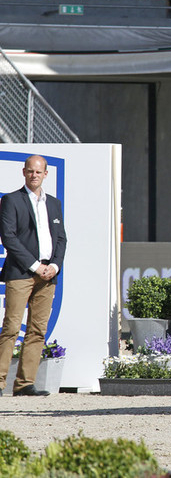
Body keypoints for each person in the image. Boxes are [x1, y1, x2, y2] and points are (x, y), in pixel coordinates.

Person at [0, 155, 67, 397]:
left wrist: (55, 266)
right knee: (11, 327)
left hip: (48, 276)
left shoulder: (54, 203)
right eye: (30, 171)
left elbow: (61, 239)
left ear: (46, 174)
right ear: (23, 172)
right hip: (20, 273)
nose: (34, 175)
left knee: (38, 331)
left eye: (38, 172)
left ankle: (25, 384)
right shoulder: (11, 200)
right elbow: (8, 238)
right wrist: (35, 265)